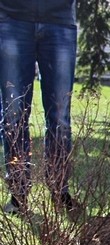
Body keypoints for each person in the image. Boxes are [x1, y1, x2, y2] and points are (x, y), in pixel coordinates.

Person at [0, 0, 77, 215]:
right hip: (12, 19)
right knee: (13, 114)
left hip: (59, 21)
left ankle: (60, 189)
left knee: (60, 117)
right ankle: (18, 193)